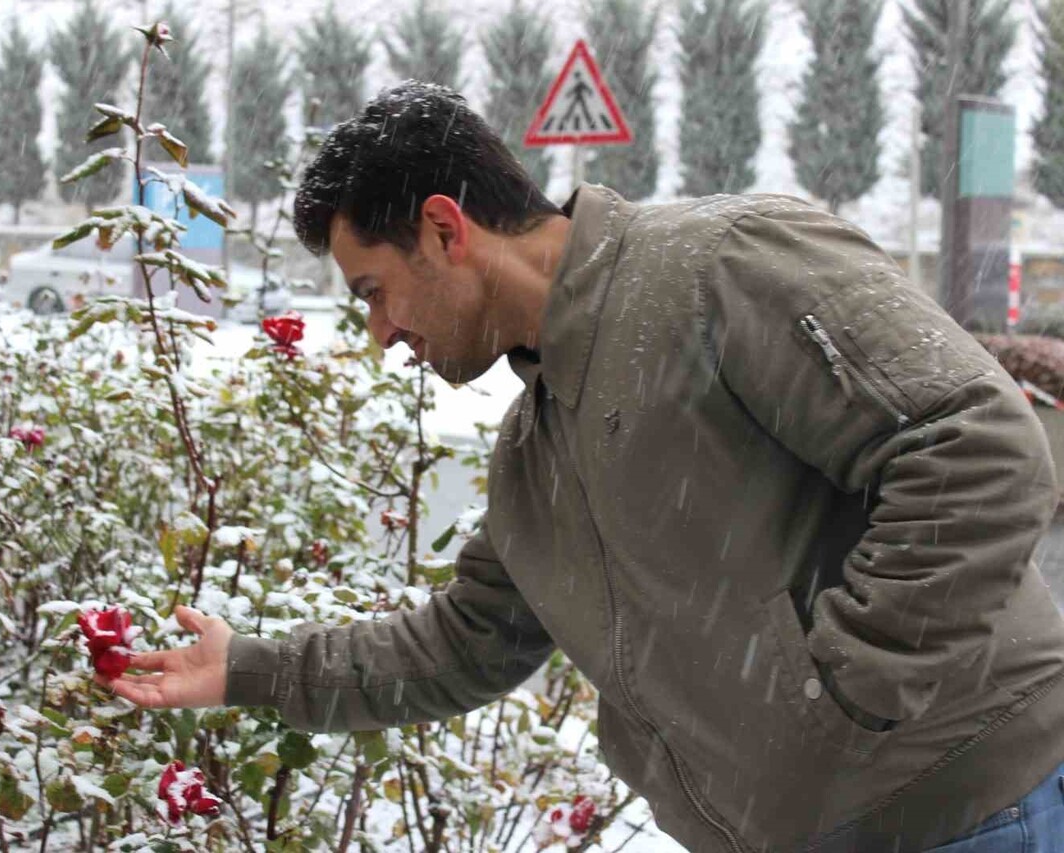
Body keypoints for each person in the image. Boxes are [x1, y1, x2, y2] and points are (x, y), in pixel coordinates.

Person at [103, 82, 1064, 852]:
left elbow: (974, 445)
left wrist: (847, 694)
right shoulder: (538, 450)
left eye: (375, 292)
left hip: (968, 813)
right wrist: (251, 671)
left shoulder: (715, 266)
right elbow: (462, 644)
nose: (379, 334)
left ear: (446, 229)